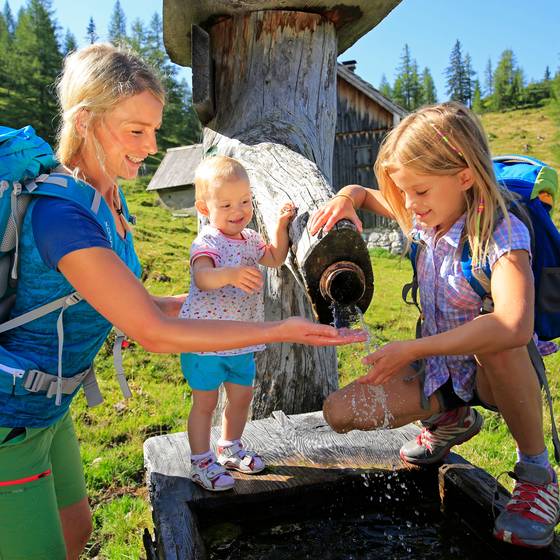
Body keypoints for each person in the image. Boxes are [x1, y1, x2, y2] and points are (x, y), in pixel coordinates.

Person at [0, 44, 363, 560]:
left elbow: (133, 302)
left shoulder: (107, 199)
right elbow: (152, 331)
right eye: (135, 130)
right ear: (84, 121)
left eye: (153, 129)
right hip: (10, 420)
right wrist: (279, 330)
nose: (150, 146)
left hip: (51, 408)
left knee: (77, 532)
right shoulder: (63, 216)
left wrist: (199, 306)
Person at [309, 101, 560, 549]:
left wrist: (411, 350)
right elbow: (366, 196)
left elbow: (515, 326)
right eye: (404, 193)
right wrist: (347, 197)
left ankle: (538, 477)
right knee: (339, 413)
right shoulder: (427, 216)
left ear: (464, 176)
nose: (410, 206)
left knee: (497, 339)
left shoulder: (501, 234)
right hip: (445, 373)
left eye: (419, 192)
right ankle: (452, 417)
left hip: (495, 374)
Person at [179, 155, 296, 491]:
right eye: (227, 204)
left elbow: (274, 257)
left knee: (242, 397)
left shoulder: (250, 239)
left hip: (241, 341)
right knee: (205, 403)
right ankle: (201, 461)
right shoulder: (207, 242)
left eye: (245, 201)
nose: (238, 210)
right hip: (204, 342)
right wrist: (228, 274)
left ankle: (229, 446)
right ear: (204, 208)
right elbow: (202, 277)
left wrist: (281, 227)